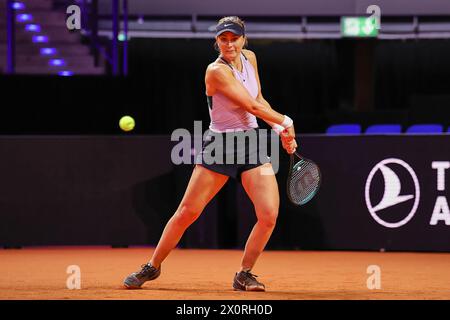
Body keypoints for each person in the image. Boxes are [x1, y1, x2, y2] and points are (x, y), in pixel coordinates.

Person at [124, 16, 297, 292]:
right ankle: (153, 266)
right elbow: (251, 107)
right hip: (220, 146)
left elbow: (259, 99)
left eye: (234, 38)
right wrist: (286, 121)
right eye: (223, 39)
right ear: (217, 41)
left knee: (268, 215)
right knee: (187, 212)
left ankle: (244, 273)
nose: (229, 44)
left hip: (252, 144)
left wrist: (278, 129)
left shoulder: (250, 58)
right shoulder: (215, 71)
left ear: (243, 39)